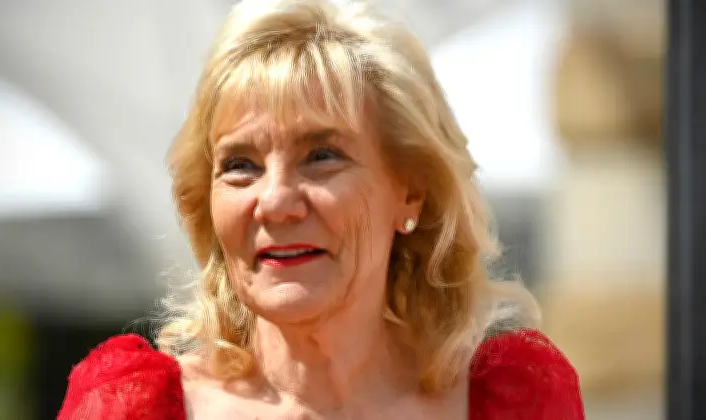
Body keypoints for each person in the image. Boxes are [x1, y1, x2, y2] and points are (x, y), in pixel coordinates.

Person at [58, 0, 584, 418]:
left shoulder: (510, 404)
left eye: (322, 156)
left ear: (411, 191)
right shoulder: (137, 409)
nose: (275, 202)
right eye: (240, 165)